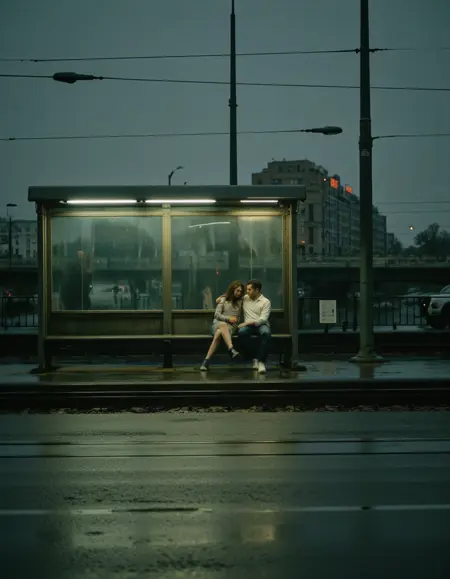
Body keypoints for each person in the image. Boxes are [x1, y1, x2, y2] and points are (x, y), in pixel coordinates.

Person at [216, 279, 271, 374]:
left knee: (266, 333)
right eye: (247, 289)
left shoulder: (266, 302)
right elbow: (230, 295)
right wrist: (220, 298)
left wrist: (246, 323)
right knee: (241, 333)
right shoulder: (245, 298)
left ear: (257, 290)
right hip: (248, 327)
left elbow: (263, 319)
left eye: (249, 289)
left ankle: (261, 361)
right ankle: (254, 358)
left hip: (261, 324)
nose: (247, 291)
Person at [200, 280, 243, 371]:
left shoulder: (241, 300)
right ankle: (231, 348)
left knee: (219, 333)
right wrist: (228, 318)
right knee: (222, 326)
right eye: (237, 291)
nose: (239, 293)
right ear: (232, 290)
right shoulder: (223, 299)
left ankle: (206, 361)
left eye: (240, 291)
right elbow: (216, 315)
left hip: (231, 326)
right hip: (218, 324)